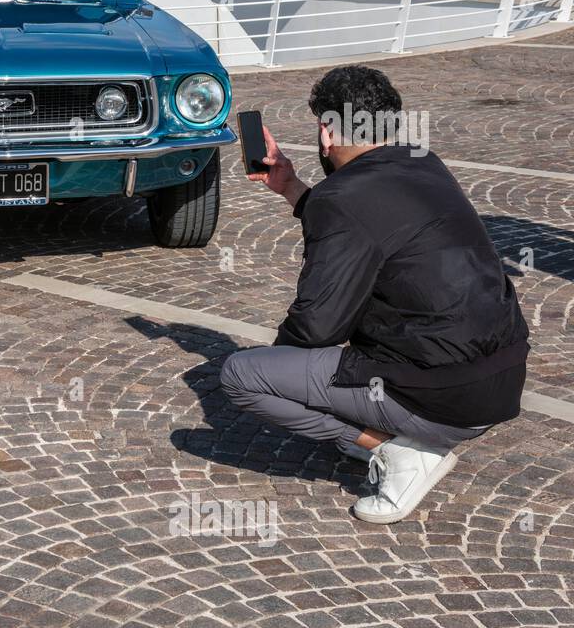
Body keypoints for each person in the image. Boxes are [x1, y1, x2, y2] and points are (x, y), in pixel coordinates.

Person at [219, 66, 528, 525]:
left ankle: (399, 453)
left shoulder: (341, 199)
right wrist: (291, 187)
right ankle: (402, 436)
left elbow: (318, 326)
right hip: (501, 380)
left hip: (445, 397)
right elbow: (375, 221)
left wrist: (282, 368)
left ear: (326, 132)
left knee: (242, 375)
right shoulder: (423, 161)